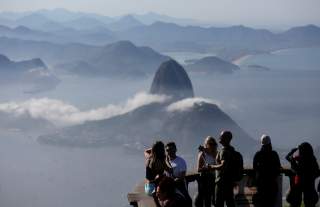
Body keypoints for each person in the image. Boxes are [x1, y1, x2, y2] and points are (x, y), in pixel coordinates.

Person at [286, 142, 320, 207]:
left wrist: (292, 151)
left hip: (297, 187)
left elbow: (288, 158)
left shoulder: (298, 160)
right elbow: (317, 172)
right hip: (310, 188)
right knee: (310, 203)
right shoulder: (312, 159)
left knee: (295, 202)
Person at [209, 130, 236, 207]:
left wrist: (212, 166)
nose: (219, 137)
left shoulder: (223, 151)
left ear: (226, 139)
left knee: (218, 203)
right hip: (229, 181)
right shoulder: (232, 149)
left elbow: (223, 165)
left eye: (221, 136)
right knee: (230, 202)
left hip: (221, 182)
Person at [253, 134, 281, 207]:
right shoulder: (274, 154)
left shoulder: (258, 155)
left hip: (261, 184)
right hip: (272, 184)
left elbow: (254, 168)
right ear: (270, 143)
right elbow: (278, 167)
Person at [195, 136, 218, 207]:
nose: (212, 145)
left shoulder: (216, 153)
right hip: (206, 180)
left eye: (213, 144)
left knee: (216, 199)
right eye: (210, 144)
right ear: (206, 144)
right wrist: (206, 168)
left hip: (216, 179)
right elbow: (198, 169)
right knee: (207, 199)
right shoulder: (202, 154)